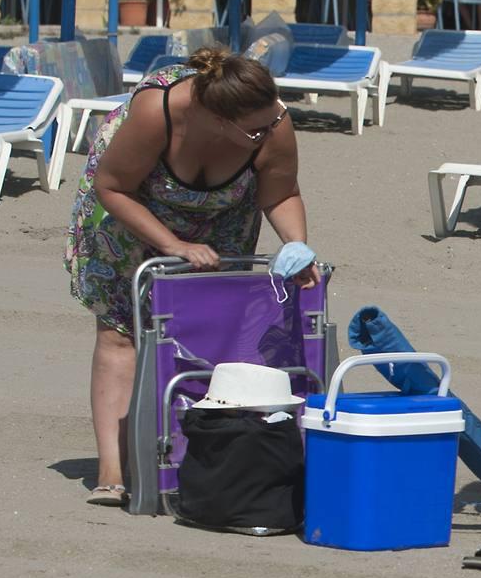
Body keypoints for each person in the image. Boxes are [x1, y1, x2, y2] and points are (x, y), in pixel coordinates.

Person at [64, 49, 321, 507]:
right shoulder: (157, 110)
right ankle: (112, 468)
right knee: (121, 330)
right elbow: (113, 187)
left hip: (224, 209)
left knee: (210, 326)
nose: (269, 129)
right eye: (256, 129)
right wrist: (172, 244)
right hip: (130, 203)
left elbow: (282, 191)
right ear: (219, 119)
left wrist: (296, 244)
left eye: (272, 119)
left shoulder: (272, 122)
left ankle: (195, 453)